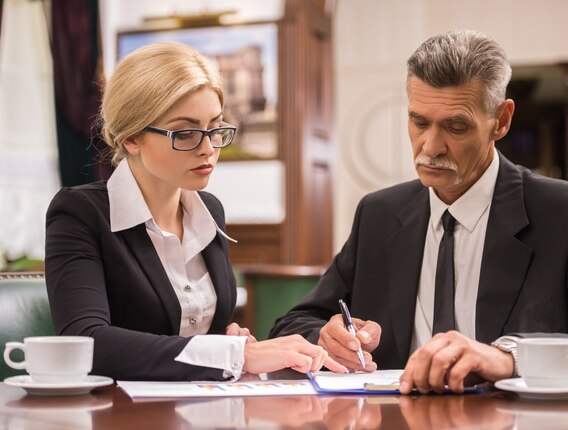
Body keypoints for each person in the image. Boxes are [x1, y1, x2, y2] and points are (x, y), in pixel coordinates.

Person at [269, 29, 568, 392]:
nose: (430, 146)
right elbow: (294, 323)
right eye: (419, 122)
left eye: (456, 126)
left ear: (501, 120)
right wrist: (327, 338)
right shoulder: (378, 214)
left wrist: (509, 359)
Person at [45, 42, 346, 381]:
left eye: (215, 129)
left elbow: (201, 343)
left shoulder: (209, 211)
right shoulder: (79, 213)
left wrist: (230, 344)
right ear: (131, 137)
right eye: (186, 133)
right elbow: (86, 342)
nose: (208, 149)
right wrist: (233, 354)